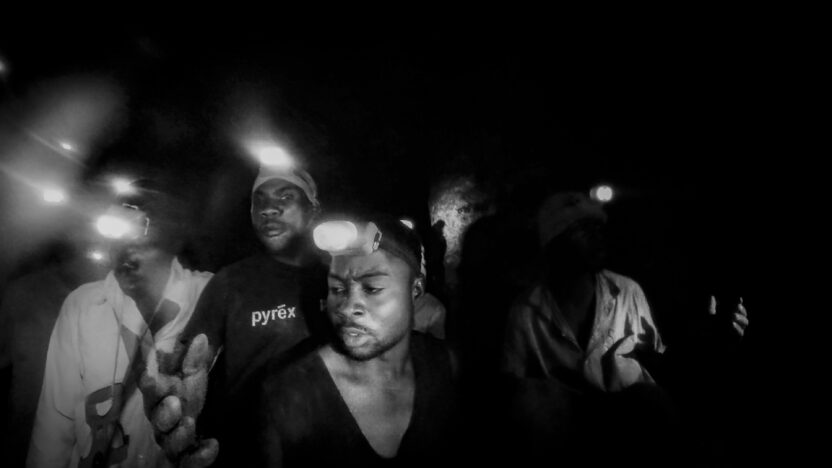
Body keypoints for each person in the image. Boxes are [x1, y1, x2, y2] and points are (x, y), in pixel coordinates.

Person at [500, 191, 749, 463]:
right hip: (569, 424)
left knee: (649, 400)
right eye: (582, 229)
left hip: (626, 414)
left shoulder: (626, 291)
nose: (597, 236)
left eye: (597, 227)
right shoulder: (527, 311)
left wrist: (710, 339)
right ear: (554, 243)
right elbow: (515, 385)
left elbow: (659, 357)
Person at [139, 162, 328, 467]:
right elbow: (190, 364)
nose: (268, 209)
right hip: (247, 454)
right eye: (259, 200)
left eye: (285, 197)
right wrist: (179, 401)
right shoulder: (231, 282)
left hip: (329, 448)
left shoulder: (339, 278)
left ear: (313, 210)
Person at [27, 180, 212, 468]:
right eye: (118, 226)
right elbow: (54, 425)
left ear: (173, 236)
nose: (127, 249)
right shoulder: (84, 305)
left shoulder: (209, 297)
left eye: (144, 224)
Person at [258, 215, 459, 467]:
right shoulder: (287, 391)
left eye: (372, 288)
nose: (347, 307)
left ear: (415, 289)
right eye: (337, 289)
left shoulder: (444, 365)